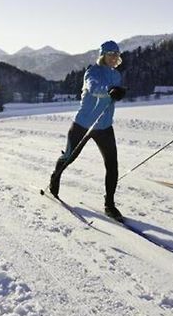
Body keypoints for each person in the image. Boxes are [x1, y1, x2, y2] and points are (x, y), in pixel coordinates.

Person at [49, 40, 126, 220]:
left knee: (112, 165)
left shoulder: (116, 75)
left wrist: (118, 93)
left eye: (117, 55)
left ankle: (109, 204)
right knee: (69, 157)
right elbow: (93, 88)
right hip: (83, 124)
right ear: (103, 55)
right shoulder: (92, 71)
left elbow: (112, 94)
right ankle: (56, 175)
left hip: (104, 126)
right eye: (111, 54)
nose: (114, 58)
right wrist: (110, 90)